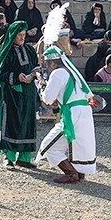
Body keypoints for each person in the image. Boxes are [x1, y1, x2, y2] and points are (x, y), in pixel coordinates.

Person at [37, 45, 97, 183]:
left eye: (48, 63)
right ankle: (80, 172)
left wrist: (40, 85)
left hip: (72, 113)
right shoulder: (72, 71)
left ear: (52, 62)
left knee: (48, 146)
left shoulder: (58, 73)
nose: (48, 66)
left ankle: (71, 173)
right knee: (80, 143)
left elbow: (47, 99)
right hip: (84, 111)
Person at [0, 21, 38, 170]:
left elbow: (36, 67)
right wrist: (16, 77)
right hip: (12, 95)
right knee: (11, 125)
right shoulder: (6, 51)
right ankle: (9, 158)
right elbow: (0, 74)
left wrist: (33, 74)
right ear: (12, 35)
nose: (22, 37)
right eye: (19, 35)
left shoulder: (30, 50)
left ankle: (24, 158)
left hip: (28, 94)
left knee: (28, 124)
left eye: (24, 35)